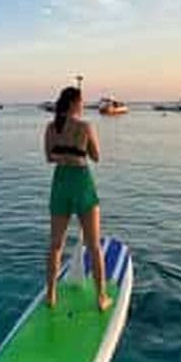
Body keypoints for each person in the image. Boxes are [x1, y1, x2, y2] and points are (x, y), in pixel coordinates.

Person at [44, 86, 112, 312]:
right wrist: (78, 149)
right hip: (82, 183)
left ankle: (51, 295)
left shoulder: (51, 127)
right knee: (94, 246)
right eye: (82, 102)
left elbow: (49, 157)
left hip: (60, 183)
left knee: (55, 245)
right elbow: (96, 156)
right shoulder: (85, 127)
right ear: (75, 103)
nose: (83, 106)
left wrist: (65, 153)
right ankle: (101, 297)